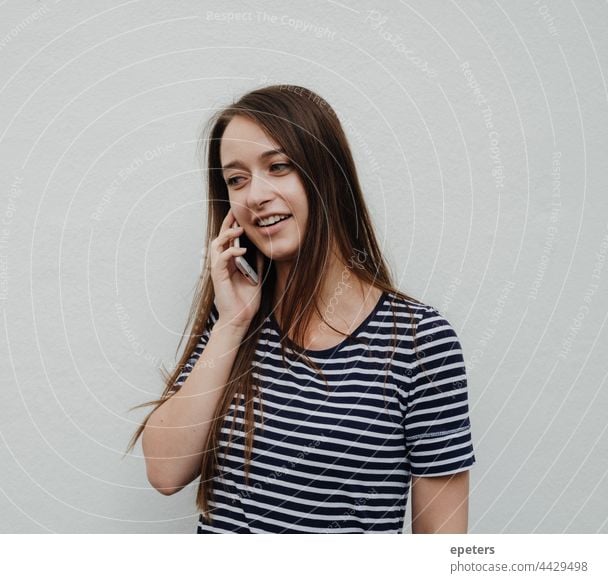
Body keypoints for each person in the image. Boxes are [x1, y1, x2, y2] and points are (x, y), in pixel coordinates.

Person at [127, 84, 476, 533]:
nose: (255, 195)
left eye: (278, 167)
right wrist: (232, 322)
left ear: (327, 174)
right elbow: (166, 472)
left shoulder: (420, 343)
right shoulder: (234, 321)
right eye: (237, 179)